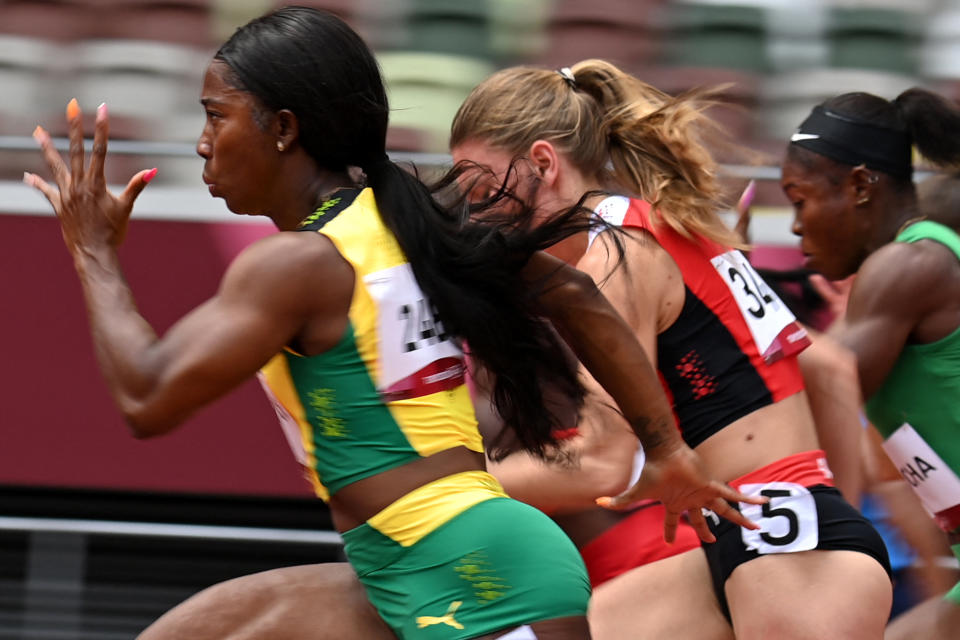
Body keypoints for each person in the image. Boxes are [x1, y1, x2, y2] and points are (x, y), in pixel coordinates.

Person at [25, 8, 761, 640]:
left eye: (216, 116)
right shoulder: (412, 218)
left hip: (479, 574)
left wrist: (93, 253)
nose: (201, 142)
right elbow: (576, 297)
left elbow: (146, 399)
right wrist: (662, 450)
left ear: (284, 128)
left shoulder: (297, 266)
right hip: (406, 559)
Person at [449, 59, 893, 640]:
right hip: (760, 536)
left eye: (485, 190)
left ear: (542, 163)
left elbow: (600, 463)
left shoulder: (619, 253)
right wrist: (832, 509)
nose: (480, 216)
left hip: (787, 553)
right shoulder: (676, 226)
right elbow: (830, 370)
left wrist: (434, 486)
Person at [780, 88, 960, 640]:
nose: (793, 226)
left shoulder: (909, 265)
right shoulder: (901, 269)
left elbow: (816, 394)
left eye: (799, 199)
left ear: (860, 186)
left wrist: (734, 295)